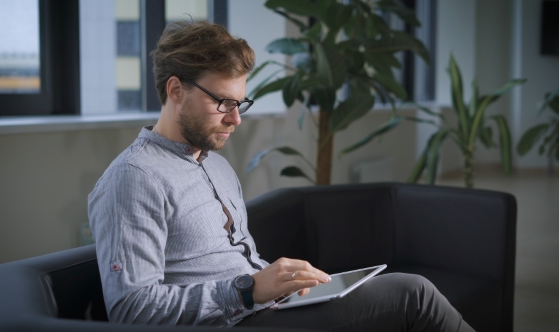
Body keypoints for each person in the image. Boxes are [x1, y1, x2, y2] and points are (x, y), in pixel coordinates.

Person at [88, 21, 475, 331]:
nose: (235, 118)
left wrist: (281, 286)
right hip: (233, 320)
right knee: (413, 294)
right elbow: (131, 310)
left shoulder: (215, 164)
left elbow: (239, 265)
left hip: (263, 311)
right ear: (175, 90)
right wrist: (246, 291)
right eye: (223, 102)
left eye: (240, 103)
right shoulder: (133, 178)